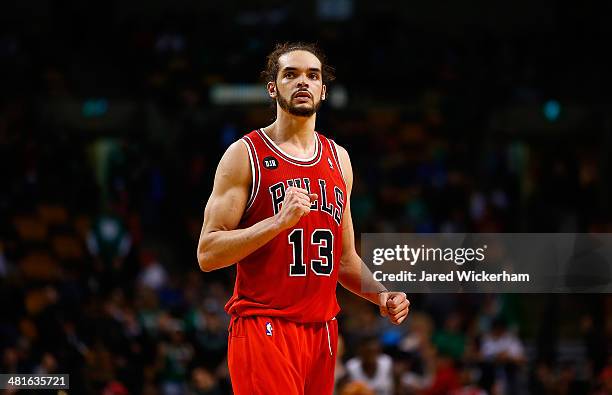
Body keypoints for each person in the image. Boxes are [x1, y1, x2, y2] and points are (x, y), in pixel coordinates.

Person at [197, 42, 410, 395]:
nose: (303, 82)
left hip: (322, 333)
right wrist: (276, 223)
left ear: (323, 91)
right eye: (290, 74)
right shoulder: (244, 154)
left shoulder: (338, 158)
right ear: (272, 87)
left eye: (313, 76)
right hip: (264, 325)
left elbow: (344, 261)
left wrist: (383, 295)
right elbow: (207, 252)